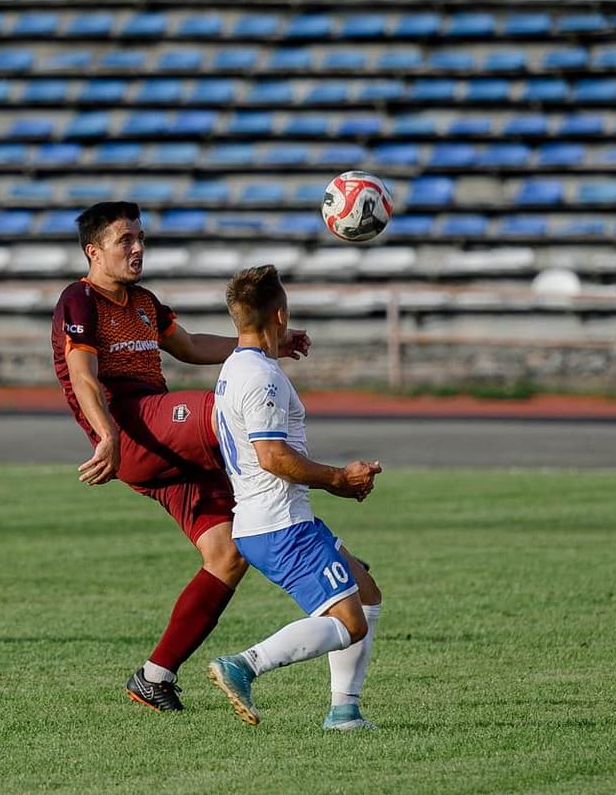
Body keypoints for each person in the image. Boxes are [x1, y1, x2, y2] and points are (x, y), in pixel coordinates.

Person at [51, 201, 310, 712]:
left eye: (140, 238)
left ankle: (155, 675)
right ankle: (318, 540)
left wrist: (268, 346)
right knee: (227, 409)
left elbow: (189, 346)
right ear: (93, 252)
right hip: (132, 426)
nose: (137, 248)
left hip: (164, 441)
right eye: (125, 240)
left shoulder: (144, 301)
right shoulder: (79, 301)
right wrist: (106, 434)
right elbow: (82, 375)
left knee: (228, 555)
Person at [204, 264, 384, 731]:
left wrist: (279, 344)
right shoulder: (261, 378)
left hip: (269, 518)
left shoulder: (237, 366)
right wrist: (338, 478)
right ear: (280, 315)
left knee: (365, 593)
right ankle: (243, 665)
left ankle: (345, 713)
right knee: (351, 623)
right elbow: (272, 456)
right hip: (280, 523)